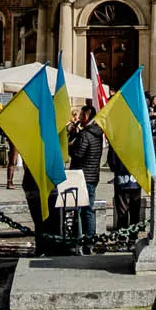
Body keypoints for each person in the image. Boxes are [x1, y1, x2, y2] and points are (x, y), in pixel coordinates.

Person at [67, 102, 104, 245]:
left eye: (82, 115)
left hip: (82, 176)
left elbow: (78, 154)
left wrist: (70, 146)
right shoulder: (97, 133)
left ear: (87, 116)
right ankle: (90, 238)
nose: (80, 118)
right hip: (93, 174)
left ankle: (82, 238)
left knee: (81, 210)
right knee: (89, 208)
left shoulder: (85, 134)